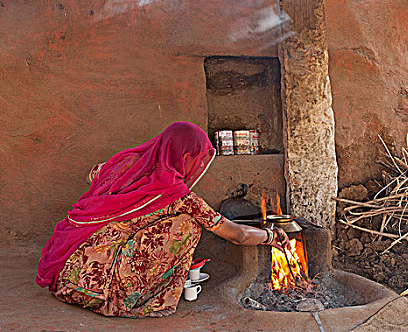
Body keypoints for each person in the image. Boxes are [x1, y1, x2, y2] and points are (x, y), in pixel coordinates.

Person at [36, 121, 290, 318]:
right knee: (187, 225)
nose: (195, 164)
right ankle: (128, 297)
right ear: (183, 155)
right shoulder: (176, 194)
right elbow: (239, 234)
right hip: (100, 293)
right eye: (194, 157)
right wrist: (271, 235)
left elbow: (96, 173)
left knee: (145, 223)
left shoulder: (127, 165)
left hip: (66, 278)